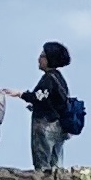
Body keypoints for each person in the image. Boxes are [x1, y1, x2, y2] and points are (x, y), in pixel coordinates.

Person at [24, 40, 76, 171]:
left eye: (42, 56)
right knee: (56, 164)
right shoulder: (60, 78)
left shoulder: (48, 79)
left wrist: (21, 94)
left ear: (49, 59)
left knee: (42, 165)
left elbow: (38, 97)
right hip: (59, 126)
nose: (39, 59)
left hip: (45, 125)